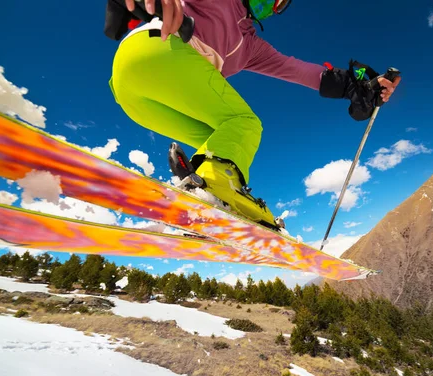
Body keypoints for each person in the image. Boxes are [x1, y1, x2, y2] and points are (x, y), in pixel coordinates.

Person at [106, 0, 400, 230]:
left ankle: (202, 188)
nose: (268, 4)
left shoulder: (250, 47)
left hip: (132, 95)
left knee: (219, 140)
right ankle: (214, 193)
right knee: (244, 124)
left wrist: (356, 86)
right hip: (155, 49)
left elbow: (302, 72)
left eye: (277, 5)